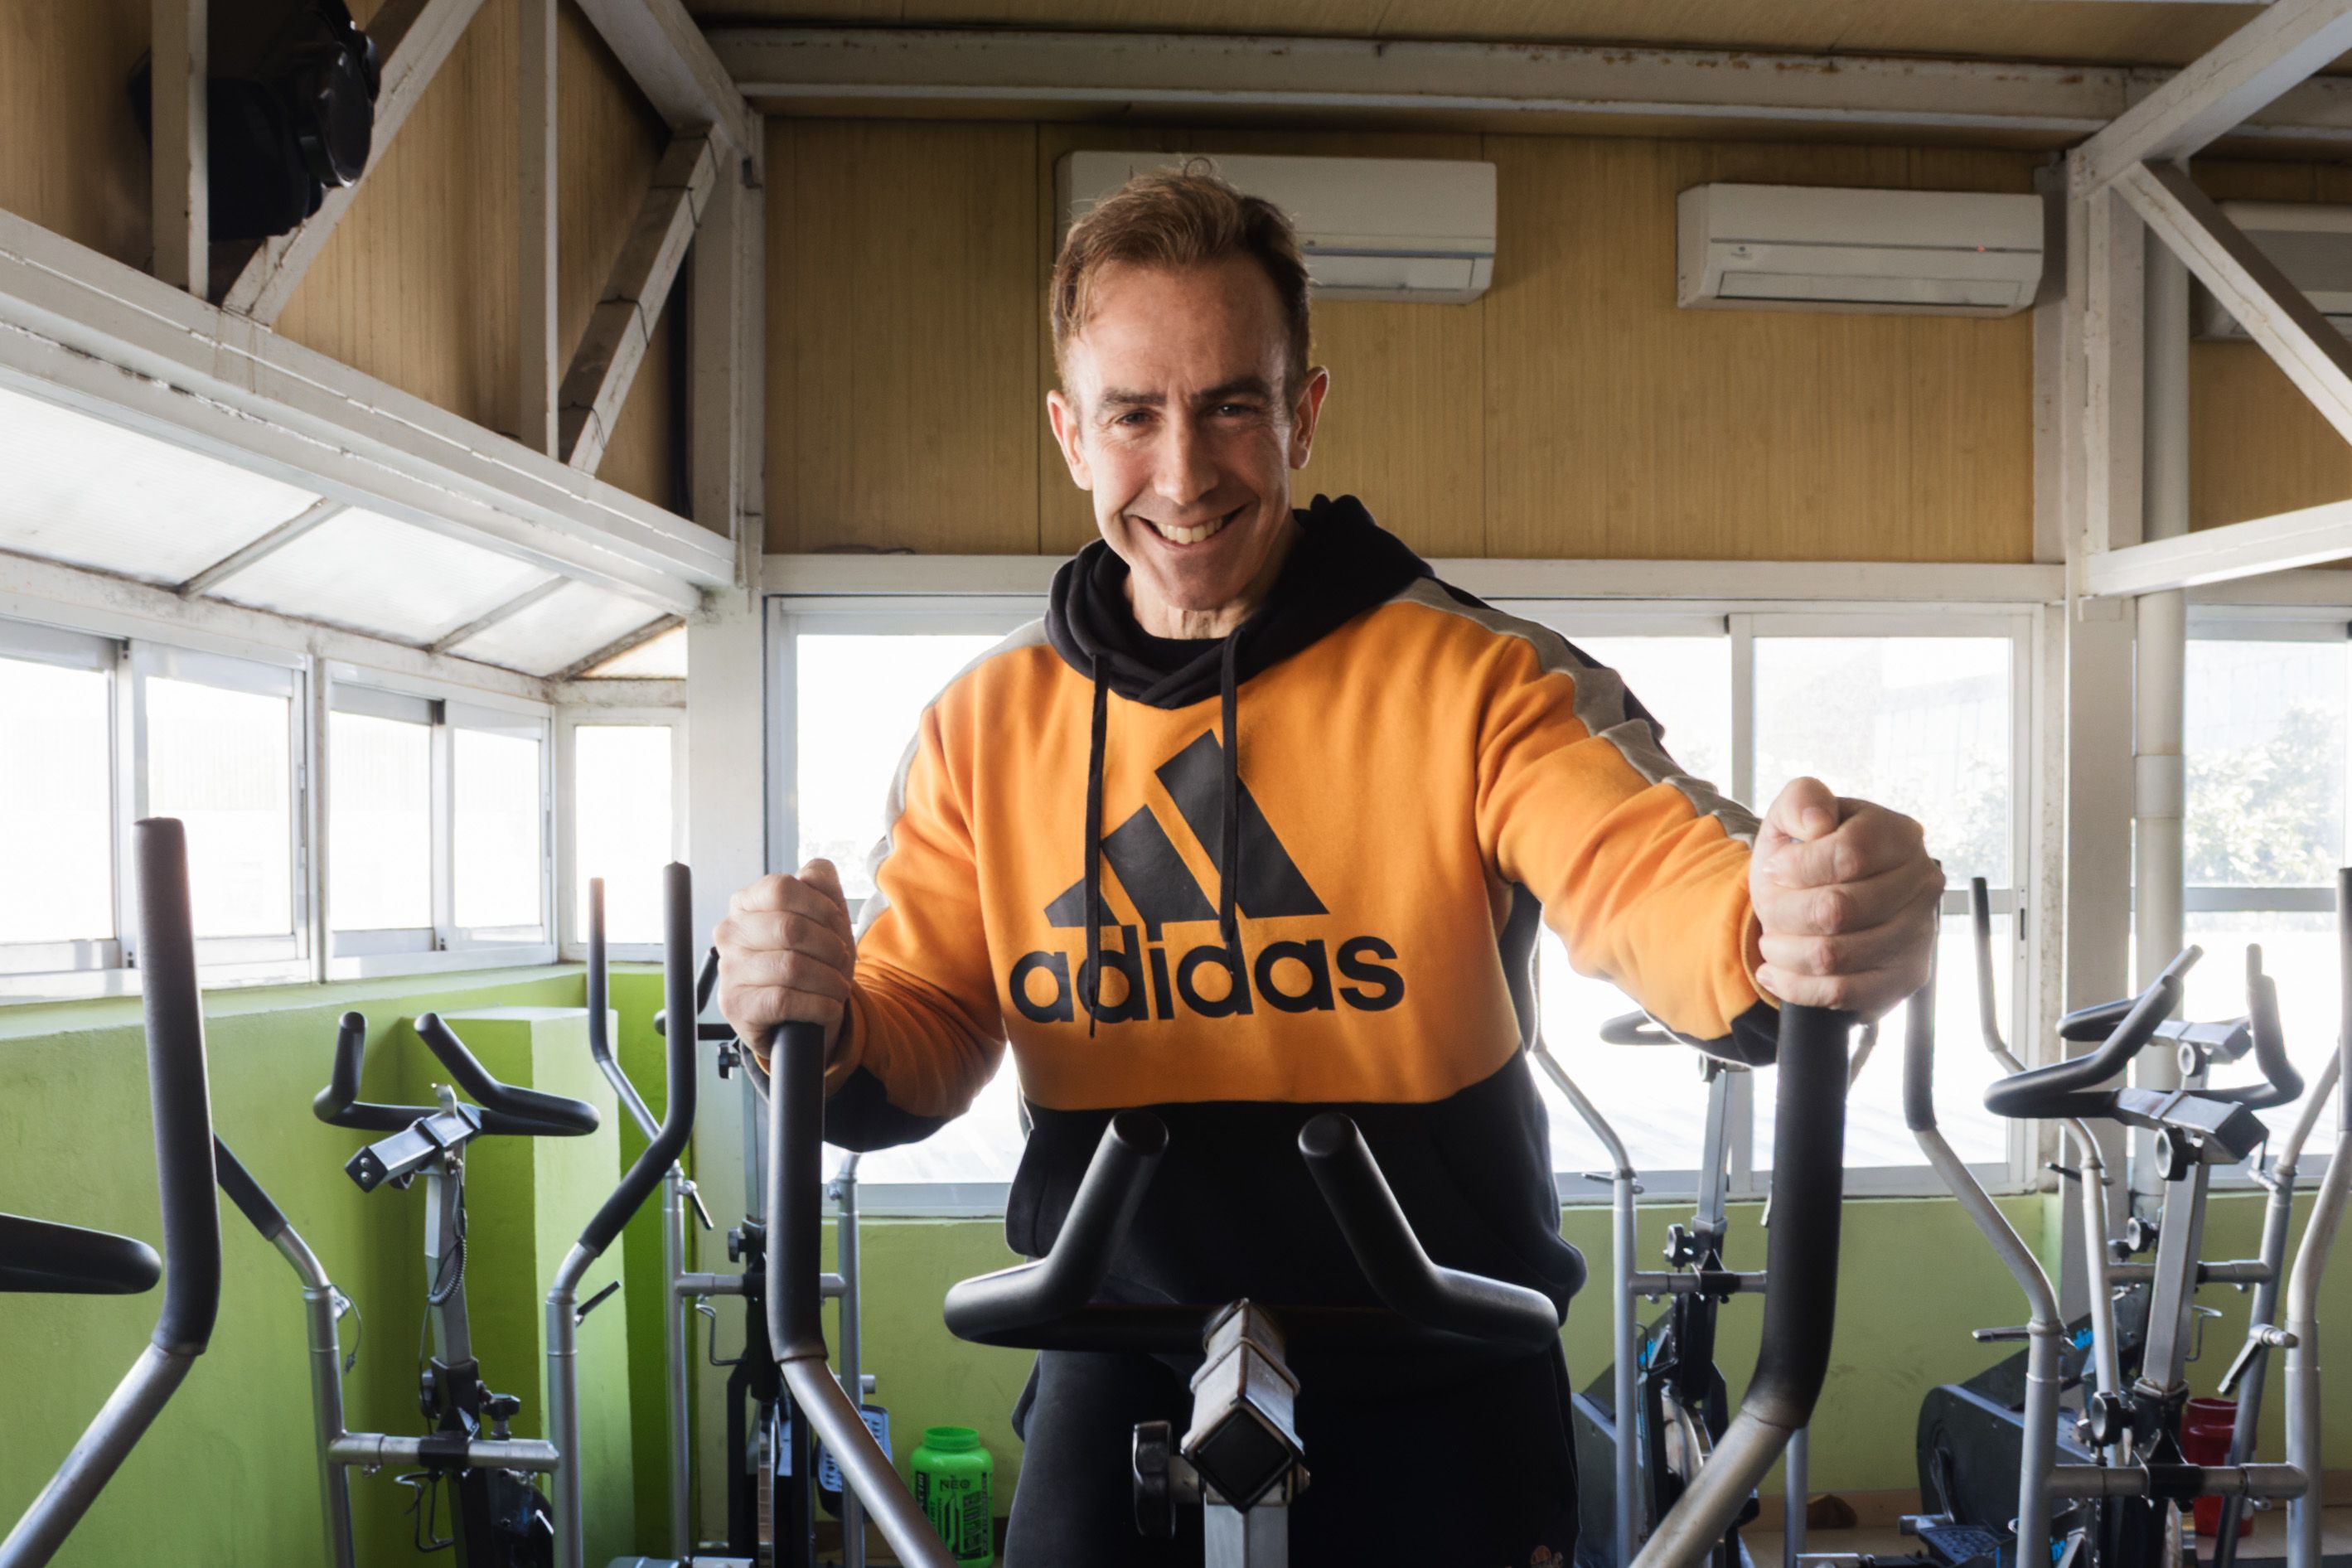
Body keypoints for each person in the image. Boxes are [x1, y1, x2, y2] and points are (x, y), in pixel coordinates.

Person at [716, 167, 1942, 1566]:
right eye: (1134, 414)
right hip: (1116, 1356)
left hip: (1437, 1354)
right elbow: (917, 1027)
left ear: (1301, 413)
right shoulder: (986, 724)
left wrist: (1785, 921)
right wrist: (809, 1016)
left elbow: (1652, 875)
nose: (1184, 474)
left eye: (1232, 404)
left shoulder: (1476, 678)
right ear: (1070, 433)